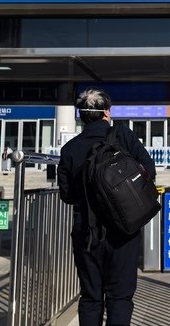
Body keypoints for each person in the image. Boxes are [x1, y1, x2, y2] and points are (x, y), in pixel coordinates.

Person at [57, 88, 156, 325]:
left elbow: (67, 195)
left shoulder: (69, 149)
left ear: (82, 116)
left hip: (86, 234)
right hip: (124, 231)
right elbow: (149, 171)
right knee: (120, 297)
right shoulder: (123, 135)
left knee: (91, 297)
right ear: (107, 112)